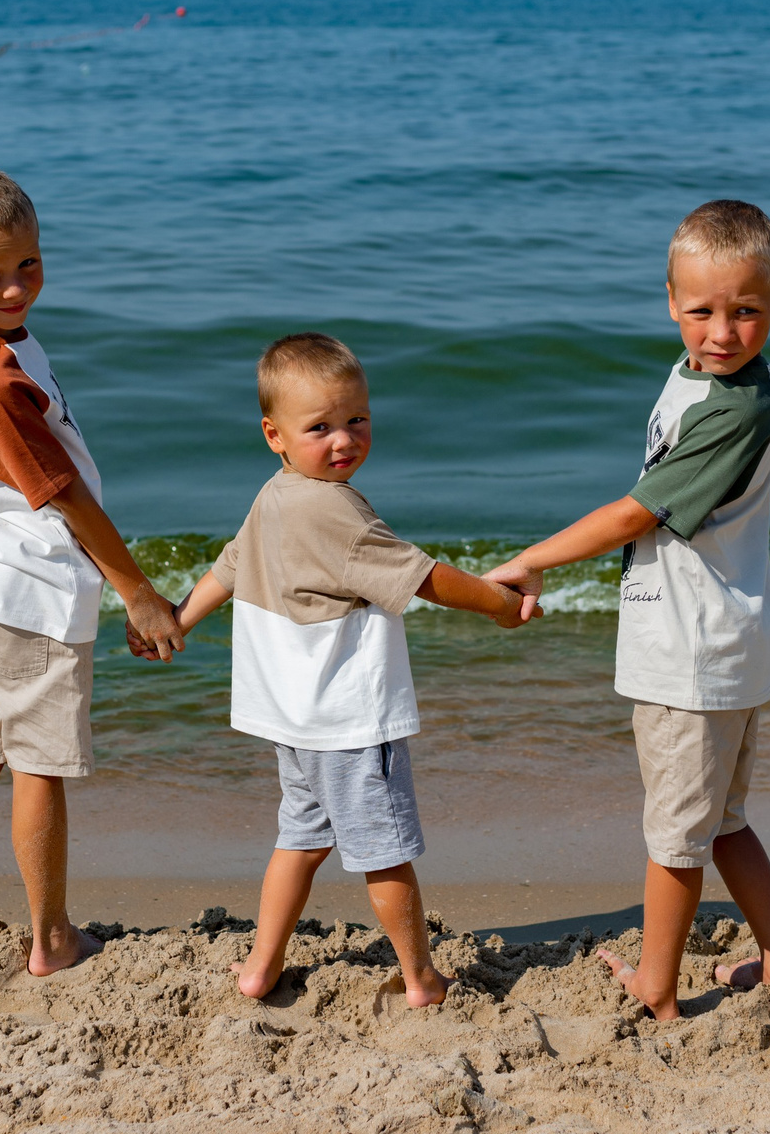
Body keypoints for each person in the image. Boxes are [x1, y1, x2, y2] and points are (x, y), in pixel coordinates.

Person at [485, 201, 770, 1021]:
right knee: (723, 822)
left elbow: (638, 512)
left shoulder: (733, 408)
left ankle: (657, 987)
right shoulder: (708, 378)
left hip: (693, 653)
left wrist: (532, 559)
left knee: (674, 839)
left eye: (746, 310)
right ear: (669, 299)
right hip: (720, 638)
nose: (722, 330)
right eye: (702, 309)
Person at [177, 333, 534, 1008]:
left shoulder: (275, 494)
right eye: (320, 428)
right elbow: (424, 578)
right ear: (274, 434)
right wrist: (498, 605)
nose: (343, 440)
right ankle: (421, 976)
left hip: (290, 717)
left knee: (300, 840)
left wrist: (178, 617)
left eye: (356, 420)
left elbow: (228, 564)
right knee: (383, 849)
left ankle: (260, 965)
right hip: (347, 720)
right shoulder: (337, 510)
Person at [0, 165, 186, 975]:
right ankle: (51, 937)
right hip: (29, 597)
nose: (15, 286)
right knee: (38, 769)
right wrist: (138, 592)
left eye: (28, 264)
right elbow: (62, 496)